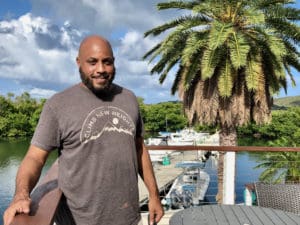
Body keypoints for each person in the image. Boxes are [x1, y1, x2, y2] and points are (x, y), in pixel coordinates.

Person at [3, 35, 164, 225]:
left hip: (127, 218)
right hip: (78, 220)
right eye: (92, 62)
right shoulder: (58, 105)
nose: (101, 69)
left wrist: (154, 196)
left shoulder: (129, 98)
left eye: (107, 62)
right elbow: (35, 158)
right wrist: (21, 195)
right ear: (79, 63)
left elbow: (139, 149)